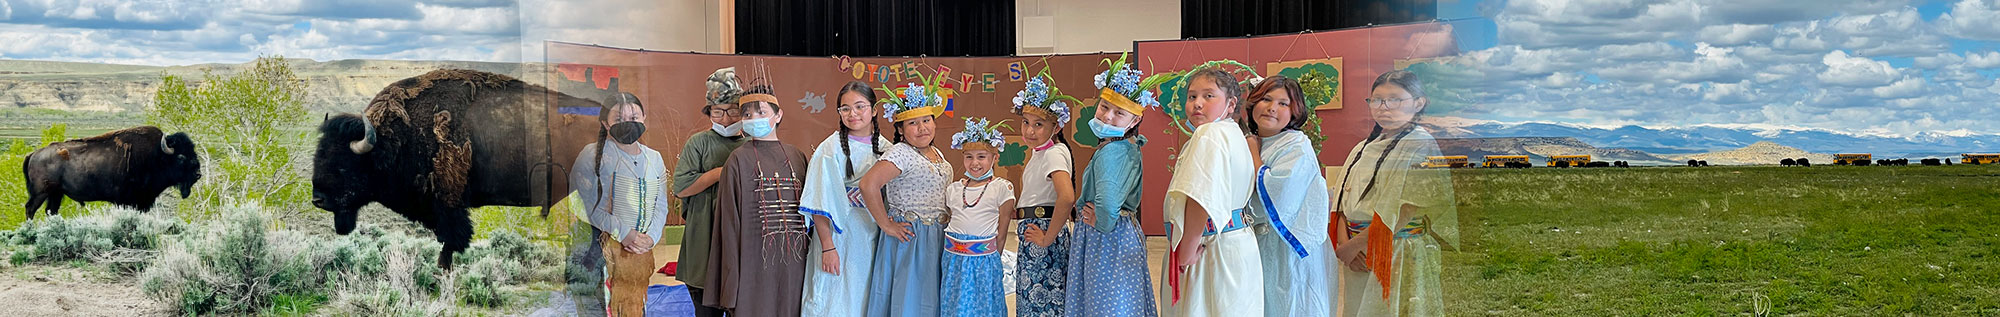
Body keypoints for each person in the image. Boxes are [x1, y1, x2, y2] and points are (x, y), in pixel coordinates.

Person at [1332, 70, 1457, 317]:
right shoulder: (1362, 146)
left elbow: (1410, 207)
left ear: (1419, 103)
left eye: (1395, 99)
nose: (1384, 107)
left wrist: (1354, 245)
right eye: (1377, 100)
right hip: (1358, 253)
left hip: (1397, 248)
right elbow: (1343, 199)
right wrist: (1345, 244)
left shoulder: (1420, 142)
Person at [1159, 65, 1263, 316]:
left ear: (1231, 103)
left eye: (1209, 96)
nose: (1197, 103)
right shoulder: (1233, 134)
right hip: (1236, 243)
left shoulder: (1210, 133)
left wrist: (1186, 250)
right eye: (1192, 96)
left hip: (1208, 247)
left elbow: (1200, 197)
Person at [1064, 52, 1160, 317]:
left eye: (1119, 113)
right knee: (1122, 301)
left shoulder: (1113, 152)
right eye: (1105, 107)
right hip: (1119, 234)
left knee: (1106, 305)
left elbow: (1107, 202)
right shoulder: (1124, 146)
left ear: (1135, 120)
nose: (1107, 116)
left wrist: (1101, 221)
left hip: (1106, 238)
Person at [704, 86, 812, 316]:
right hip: (753, 262)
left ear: (778, 114)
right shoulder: (737, 161)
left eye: (761, 113)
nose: (754, 119)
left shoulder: (797, 156)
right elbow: (729, 226)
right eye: (747, 115)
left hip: (795, 262)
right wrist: (732, 280)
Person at [568, 92, 670, 316]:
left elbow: (661, 204)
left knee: (633, 306)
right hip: (595, 252)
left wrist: (650, 237)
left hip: (638, 253)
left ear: (644, 117)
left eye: (634, 117)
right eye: (619, 119)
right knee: (600, 307)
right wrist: (623, 233)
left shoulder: (654, 158)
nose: (628, 124)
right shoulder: (591, 154)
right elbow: (583, 205)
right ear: (605, 123)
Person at [860, 81, 955, 317]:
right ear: (901, 129)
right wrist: (886, 225)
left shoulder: (936, 152)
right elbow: (868, 185)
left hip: (937, 236)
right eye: (913, 123)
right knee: (912, 299)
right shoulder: (901, 152)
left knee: (931, 299)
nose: (922, 128)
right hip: (912, 238)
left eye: (926, 120)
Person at [1242, 76, 1334, 316]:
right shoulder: (1252, 141)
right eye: (1266, 99)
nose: (1272, 107)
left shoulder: (1295, 144)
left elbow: (1280, 191)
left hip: (1283, 244)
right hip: (1254, 241)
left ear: (1295, 112)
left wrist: (1252, 150)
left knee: (1285, 303)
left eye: (1283, 103)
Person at [799, 81, 891, 317]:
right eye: (845, 108)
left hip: (872, 238)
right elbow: (819, 201)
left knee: (865, 297)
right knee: (832, 298)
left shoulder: (888, 149)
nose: (853, 114)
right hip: (837, 239)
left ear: (874, 108)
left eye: (860, 106)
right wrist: (828, 247)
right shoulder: (829, 149)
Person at [673, 67, 747, 317]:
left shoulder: (751, 145)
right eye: (718, 112)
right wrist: (718, 174)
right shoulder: (699, 143)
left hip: (739, 243)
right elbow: (681, 188)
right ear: (710, 113)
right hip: (703, 243)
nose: (725, 119)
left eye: (732, 111)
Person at [1010, 71, 1079, 316]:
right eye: (1026, 122)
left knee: (1045, 304)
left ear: (1056, 125)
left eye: (1038, 124)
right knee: (1033, 303)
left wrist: (1048, 238)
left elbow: (1067, 197)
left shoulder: (1054, 153)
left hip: (1044, 235)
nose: (1030, 130)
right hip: (1035, 233)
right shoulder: (1040, 153)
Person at [937, 117, 1016, 317]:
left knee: (983, 307)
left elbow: (1002, 230)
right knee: (955, 305)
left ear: (994, 158)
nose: (975, 163)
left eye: (982, 157)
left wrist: (992, 261)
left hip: (983, 260)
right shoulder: (954, 189)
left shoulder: (1002, 188)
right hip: (954, 259)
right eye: (969, 157)